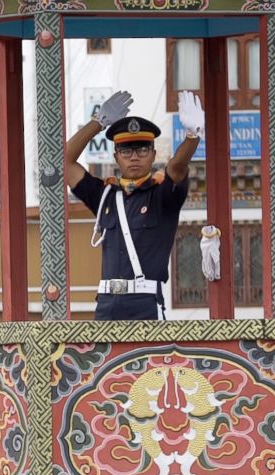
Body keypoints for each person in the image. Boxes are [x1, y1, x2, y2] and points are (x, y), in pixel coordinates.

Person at [66, 90, 203, 320]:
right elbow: (64, 162)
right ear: (116, 156)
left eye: (142, 149)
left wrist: (192, 136)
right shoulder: (105, 195)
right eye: (126, 150)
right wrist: (97, 123)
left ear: (152, 154)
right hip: (106, 305)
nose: (134, 156)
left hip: (145, 305)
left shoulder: (162, 195)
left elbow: (177, 168)